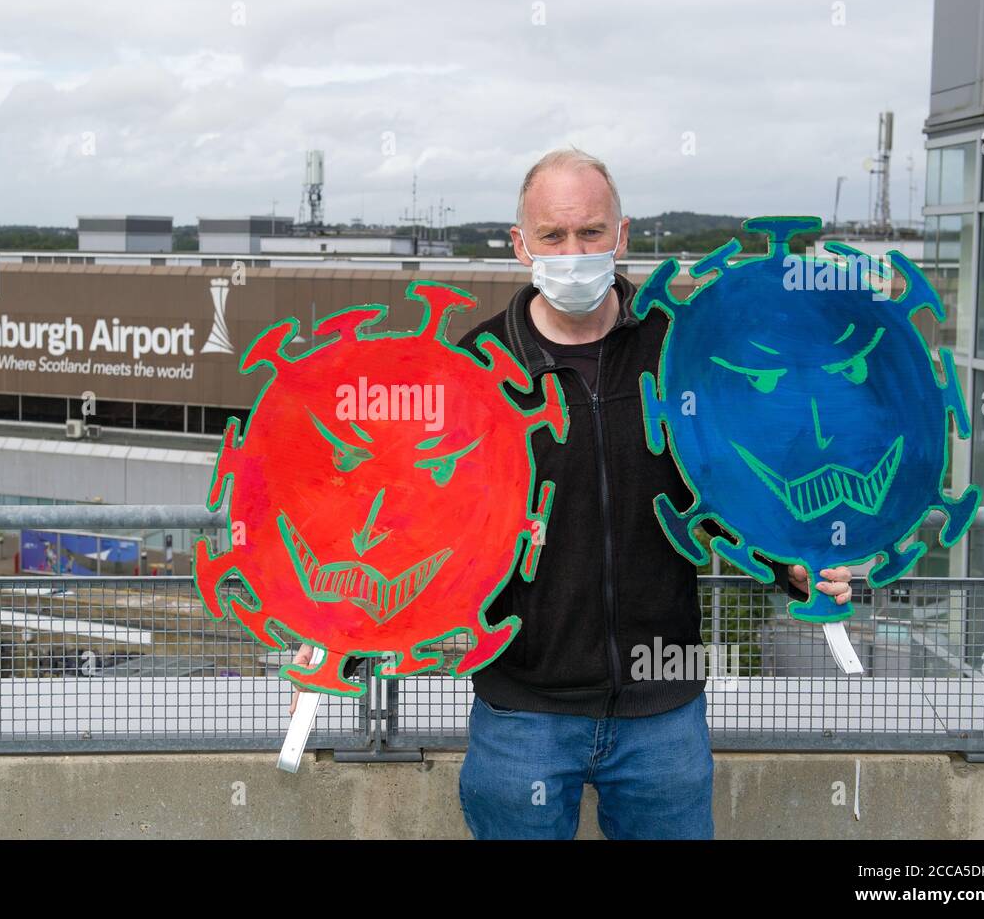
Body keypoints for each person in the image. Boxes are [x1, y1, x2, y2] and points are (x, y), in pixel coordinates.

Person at [291, 147, 853, 839]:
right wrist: (337, 615)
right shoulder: (477, 371)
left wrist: (793, 563)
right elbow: (414, 514)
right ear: (519, 244)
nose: (573, 251)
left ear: (621, 236)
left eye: (590, 233)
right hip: (523, 712)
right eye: (553, 236)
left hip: (663, 710)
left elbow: (731, 490)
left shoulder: (679, 352)